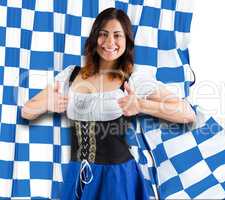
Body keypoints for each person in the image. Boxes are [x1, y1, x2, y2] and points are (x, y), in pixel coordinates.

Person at [21, 8, 196, 200]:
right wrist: (46, 104)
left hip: (117, 177)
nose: (109, 42)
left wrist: (141, 106)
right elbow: (27, 111)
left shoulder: (134, 79)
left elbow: (187, 114)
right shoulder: (71, 75)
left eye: (117, 35)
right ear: (95, 38)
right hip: (77, 175)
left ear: (127, 41)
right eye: (103, 34)